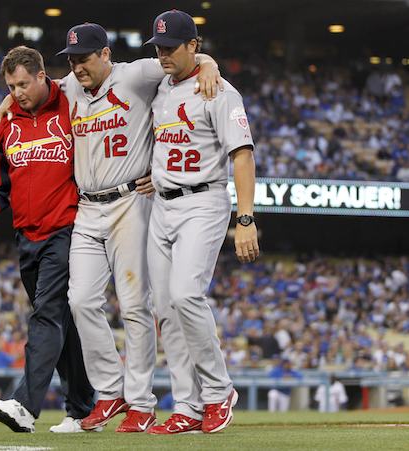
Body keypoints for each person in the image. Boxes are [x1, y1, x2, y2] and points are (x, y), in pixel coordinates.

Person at [56, 23, 221, 433]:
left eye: (85, 57)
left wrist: (209, 63)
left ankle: (142, 402)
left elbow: (183, 59)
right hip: (88, 208)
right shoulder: (69, 86)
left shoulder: (134, 73)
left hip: (131, 201)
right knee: (80, 301)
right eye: (73, 59)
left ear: (105, 54)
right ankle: (110, 393)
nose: (77, 66)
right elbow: (35, 89)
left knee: (135, 306)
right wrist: (8, 99)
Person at [0, 46, 94, 433]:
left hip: (67, 230)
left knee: (46, 315)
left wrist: (206, 62)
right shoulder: (4, 128)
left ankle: (25, 405)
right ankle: (84, 410)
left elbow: (113, 76)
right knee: (59, 322)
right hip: (26, 237)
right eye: (10, 86)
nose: (17, 92)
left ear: (41, 75)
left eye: (22, 84)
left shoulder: (72, 102)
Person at [143, 10, 259, 434]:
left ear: (194, 45)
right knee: (166, 310)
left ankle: (219, 391)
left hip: (203, 200)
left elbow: (242, 154)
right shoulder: (159, 86)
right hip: (162, 204)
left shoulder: (220, 90)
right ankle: (187, 407)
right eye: (158, 48)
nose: (163, 55)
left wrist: (245, 218)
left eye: (171, 47)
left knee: (186, 294)